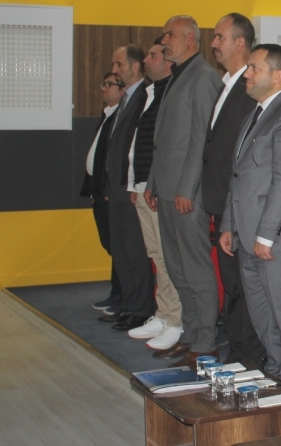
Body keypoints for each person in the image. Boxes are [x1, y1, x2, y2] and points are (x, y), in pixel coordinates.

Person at [219, 45, 281, 383]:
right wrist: (228, 224)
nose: (247, 74)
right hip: (245, 233)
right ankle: (278, 376)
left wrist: (266, 235)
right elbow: (238, 175)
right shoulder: (255, 113)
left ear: (277, 76)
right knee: (262, 318)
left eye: (254, 68)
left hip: (271, 239)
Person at [146, 15, 223, 366]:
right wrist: (153, 182)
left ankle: (205, 344)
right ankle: (191, 336)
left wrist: (187, 189)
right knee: (177, 269)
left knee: (195, 270)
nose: (165, 41)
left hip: (185, 195)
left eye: (170, 35)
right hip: (167, 189)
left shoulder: (203, 77)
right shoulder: (179, 75)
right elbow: (164, 140)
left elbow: (201, 140)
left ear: (190, 38)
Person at [202, 13, 267, 368]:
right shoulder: (227, 84)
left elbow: (242, 159)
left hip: (239, 207)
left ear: (240, 43)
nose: (213, 43)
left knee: (243, 286)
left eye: (220, 37)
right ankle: (238, 351)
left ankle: (245, 358)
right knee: (232, 283)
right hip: (223, 203)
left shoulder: (249, 90)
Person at [125, 38, 183, 350]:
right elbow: (140, 144)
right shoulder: (151, 93)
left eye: (152, 55)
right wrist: (134, 184)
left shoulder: (173, 92)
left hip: (160, 189)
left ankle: (176, 319)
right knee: (156, 256)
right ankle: (163, 313)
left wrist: (155, 185)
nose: (146, 60)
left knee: (168, 256)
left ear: (168, 61)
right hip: (144, 187)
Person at [100, 44, 154, 332]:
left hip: (131, 187)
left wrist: (131, 183)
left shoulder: (145, 96)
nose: (115, 70)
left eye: (119, 65)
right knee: (121, 251)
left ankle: (142, 309)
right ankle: (129, 304)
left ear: (135, 66)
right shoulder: (125, 99)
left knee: (135, 252)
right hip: (117, 186)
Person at [82, 72, 125, 314]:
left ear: (122, 89)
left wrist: (107, 187)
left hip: (111, 193)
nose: (104, 89)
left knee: (118, 245)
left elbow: (115, 158)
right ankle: (116, 292)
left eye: (109, 85)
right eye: (103, 84)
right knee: (111, 244)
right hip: (99, 190)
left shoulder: (121, 116)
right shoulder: (108, 115)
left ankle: (121, 294)